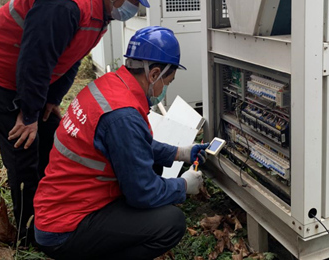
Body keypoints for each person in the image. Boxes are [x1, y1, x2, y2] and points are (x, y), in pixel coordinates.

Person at [0, 0, 154, 244]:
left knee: (51, 134)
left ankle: (50, 209)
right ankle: (28, 232)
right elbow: (35, 60)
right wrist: (28, 115)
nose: (134, 7)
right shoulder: (67, 5)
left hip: (22, 73)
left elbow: (70, 57)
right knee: (23, 145)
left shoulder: (99, 13)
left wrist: (51, 100)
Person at [33, 26, 208, 260]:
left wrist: (181, 153)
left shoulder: (109, 86)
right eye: (168, 80)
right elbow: (143, 193)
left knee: (153, 167)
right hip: (65, 230)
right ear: (154, 74)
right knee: (171, 223)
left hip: (58, 206)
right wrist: (183, 186)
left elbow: (131, 146)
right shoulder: (123, 116)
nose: (165, 88)